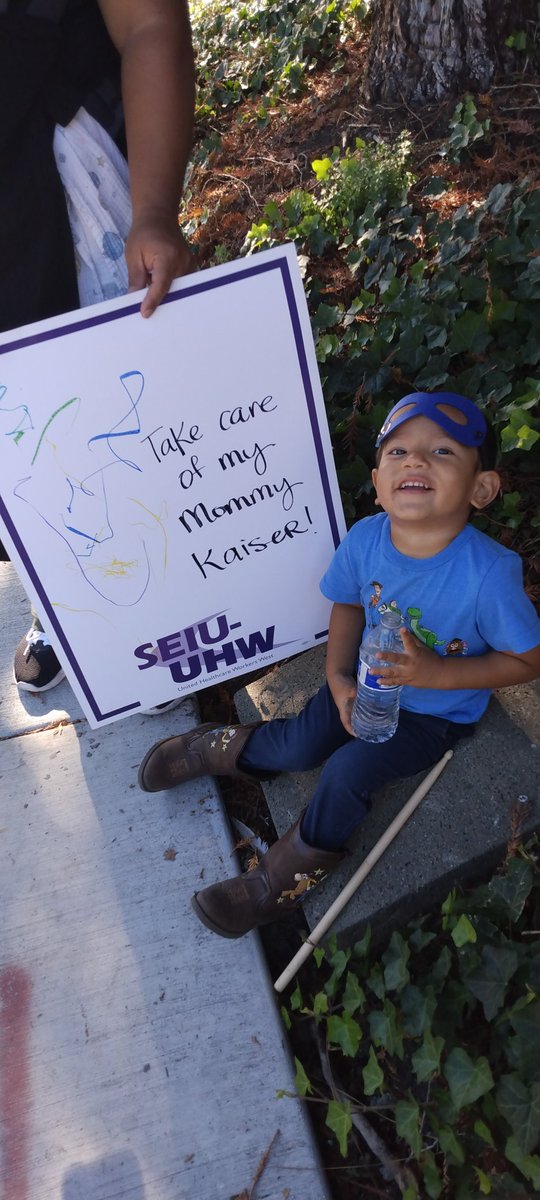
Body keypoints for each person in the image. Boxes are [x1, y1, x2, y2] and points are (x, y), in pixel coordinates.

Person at [137, 391, 540, 937]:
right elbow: (348, 604)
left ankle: (279, 880)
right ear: (377, 482)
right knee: (301, 743)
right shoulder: (367, 539)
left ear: (482, 488)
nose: (416, 461)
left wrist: (438, 676)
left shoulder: (488, 575)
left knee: (348, 772)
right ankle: (225, 745)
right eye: (398, 452)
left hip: (432, 715)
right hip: (362, 686)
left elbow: (527, 659)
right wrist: (337, 677)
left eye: (442, 451)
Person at [1, 0, 195, 695]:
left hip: (65, 191)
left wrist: (152, 212)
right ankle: (62, 597)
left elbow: (149, 24)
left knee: (117, 410)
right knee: (22, 448)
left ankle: (195, 582)